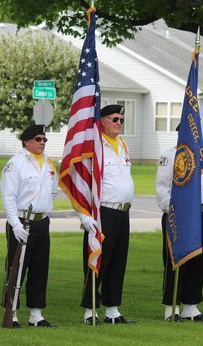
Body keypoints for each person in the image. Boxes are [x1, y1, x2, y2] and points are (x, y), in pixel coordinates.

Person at [78, 104, 135, 325]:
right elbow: (82, 183)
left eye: (122, 119)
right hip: (103, 212)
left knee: (118, 262)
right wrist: (83, 213)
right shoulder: (94, 146)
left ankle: (113, 310)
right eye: (115, 119)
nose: (119, 123)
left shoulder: (121, 144)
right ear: (102, 120)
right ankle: (90, 311)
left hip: (123, 212)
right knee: (97, 261)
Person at [0, 124, 58, 328]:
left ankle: (36, 314)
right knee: (16, 268)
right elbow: (8, 197)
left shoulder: (49, 164)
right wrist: (15, 225)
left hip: (42, 221)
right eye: (38, 139)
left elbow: (53, 191)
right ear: (26, 141)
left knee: (40, 268)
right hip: (21, 221)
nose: (42, 142)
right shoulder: (15, 164)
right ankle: (12, 312)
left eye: (44, 140)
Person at [155, 125, 203, 322]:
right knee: (175, 261)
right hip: (179, 214)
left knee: (198, 260)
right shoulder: (170, 156)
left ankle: (191, 306)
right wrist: (171, 210)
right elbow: (162, 188)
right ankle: (171, 307)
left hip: (201, 213)